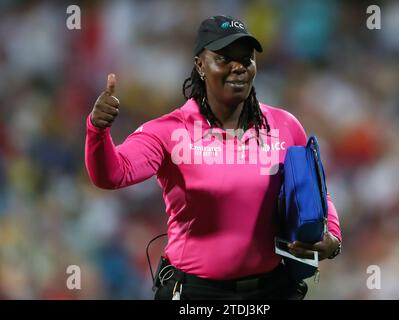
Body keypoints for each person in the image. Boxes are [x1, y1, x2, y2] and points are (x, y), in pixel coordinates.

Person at [85, 15, 342, 300]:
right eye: (224, 59)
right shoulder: (171, 131)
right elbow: (112, 174)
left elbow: (315, 194)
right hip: (197, 294)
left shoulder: (284, 125)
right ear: (200, 65)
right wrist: (97, 130)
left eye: (247, 58)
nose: (238, 67)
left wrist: (332, 236)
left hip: (272, 290)